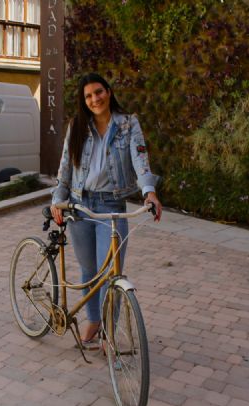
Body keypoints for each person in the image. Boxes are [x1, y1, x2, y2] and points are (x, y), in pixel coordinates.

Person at [51, 72, 162, 348]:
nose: (94, 99)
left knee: (111, 272)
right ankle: (93, 321)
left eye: (98, 92)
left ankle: (109, 331)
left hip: (111, 206)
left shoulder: (128, 124)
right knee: (89, 269)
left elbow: (140, 158)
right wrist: (57, 199)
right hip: (79, 206)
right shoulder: (77, 125)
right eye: (88, 96)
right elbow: (66, 166)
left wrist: (150, 192)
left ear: (108, 92)